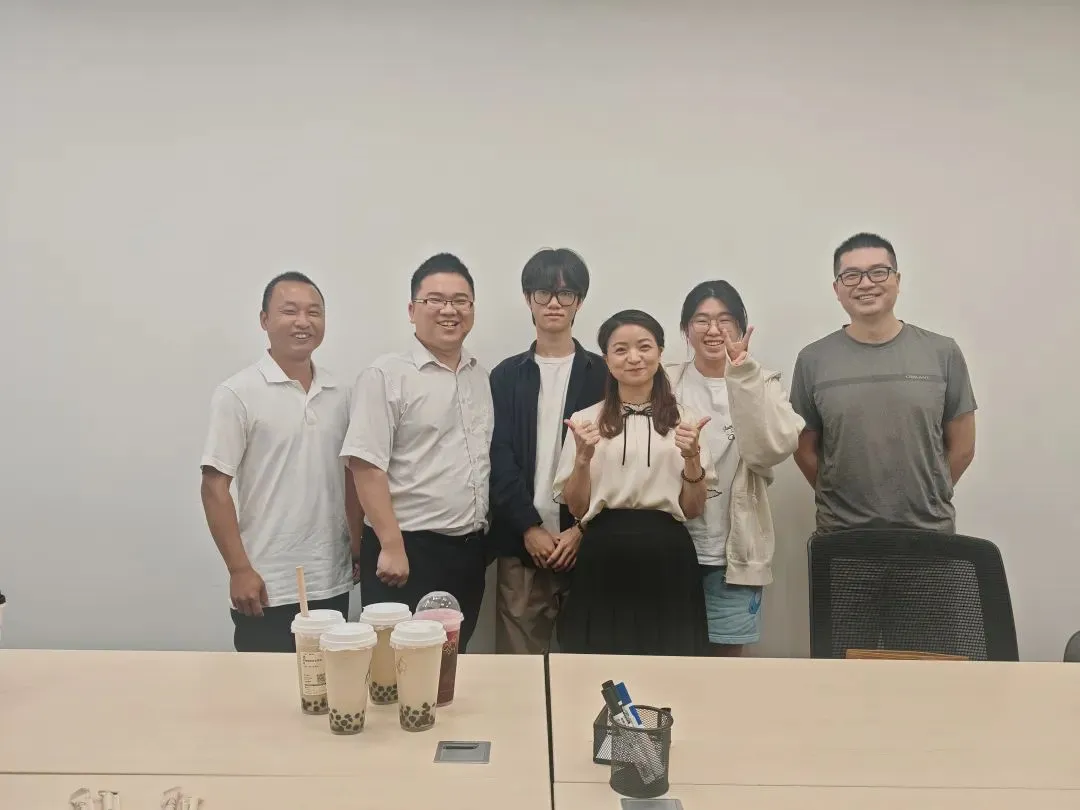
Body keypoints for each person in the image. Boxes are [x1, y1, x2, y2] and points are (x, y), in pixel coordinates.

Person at [200, 272, 360, 653]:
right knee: (265, 688)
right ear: (264, 320)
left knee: (329, 682)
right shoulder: (238, 393)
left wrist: (356, 546)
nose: (303, 321)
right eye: (290, 311)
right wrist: (239, 569)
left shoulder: (342, 393)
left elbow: (352, 476)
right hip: (266, 584)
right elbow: (214, 487)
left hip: (331, 579)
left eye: (314, 312)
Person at [341, 253, 493, 651]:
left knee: (451, 661)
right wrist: (391, 545)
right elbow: (365, 465)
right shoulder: (386, 375)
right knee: (397, 666)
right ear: (412, 310)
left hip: (467, 552)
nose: (449, 310)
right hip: (406, 550)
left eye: (460, 301)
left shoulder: (479, 376)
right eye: (435, 300)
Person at [789, 232, 977, 536]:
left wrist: (930, 496)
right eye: (851, 275)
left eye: (878, 272)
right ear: (837, 289)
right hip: (842, 537)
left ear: (897, 280)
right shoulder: (813, 360)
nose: (865, 284)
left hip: (929, 534)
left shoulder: (942, 353)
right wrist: (839, 502)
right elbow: (803, 449)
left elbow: (964, 447)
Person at [553, 309, 715, 656]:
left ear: (659, 352)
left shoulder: (686, 420)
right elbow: (577, 508)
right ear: (606, 359)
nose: (634, 357)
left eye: (644, 346)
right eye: (621, 349)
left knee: (670, 659)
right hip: (603, 552)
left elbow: (693, 509)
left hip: (668, 554)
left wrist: (692, 458)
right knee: (601, 661)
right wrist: (582, 460)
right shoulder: (585, 421)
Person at [668, 281, 805, 656]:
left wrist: (742, 374)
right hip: (673, 544)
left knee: (725, 663)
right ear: (686, 328)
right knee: (668, 658)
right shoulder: (666, 382)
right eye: (702, 320)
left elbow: (769, 451)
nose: (713, 330)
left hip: (736, 549)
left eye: (725, 320)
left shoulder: (763, 382)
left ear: (741, 327)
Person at [488, 248, 607, 654]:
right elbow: (498, 457)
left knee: (589, 667)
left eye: (566, 293)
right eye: (543, 292)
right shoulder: (506, 376)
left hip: (588, 546)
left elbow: (616, 462)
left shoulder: (605, 375)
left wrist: (582, 530)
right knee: (517, 669)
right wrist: (529, 528)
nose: (554, 303)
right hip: (522, 546)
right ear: (528, 299)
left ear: (579, 302)